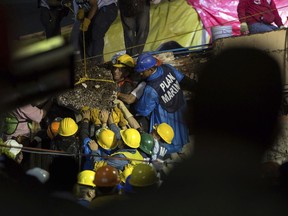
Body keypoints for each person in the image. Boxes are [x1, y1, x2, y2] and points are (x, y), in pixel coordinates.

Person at [133, 52, 196, 154]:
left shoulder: (151, 89)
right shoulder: (168, 68)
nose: (140, 74)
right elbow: (183, 79)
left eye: (142, 72)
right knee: (180, 132)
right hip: (180, 106)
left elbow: (142, 110)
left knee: (165, 138)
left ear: (151, 69)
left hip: (165, 116)